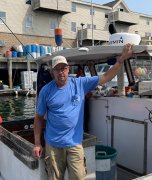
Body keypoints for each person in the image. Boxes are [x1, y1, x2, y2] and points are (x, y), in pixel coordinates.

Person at [33, 44, 133, 180]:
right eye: (57, 69)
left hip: (74, 144)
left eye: (63, 68)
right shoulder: (46, 91)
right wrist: (38, 143)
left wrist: (121, 60)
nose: (61, 72)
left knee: (79, 177)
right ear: (52, 72)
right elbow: (38, 118)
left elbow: (106, 78)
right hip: (53, 145)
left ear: (68, 69)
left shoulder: (80, 84)